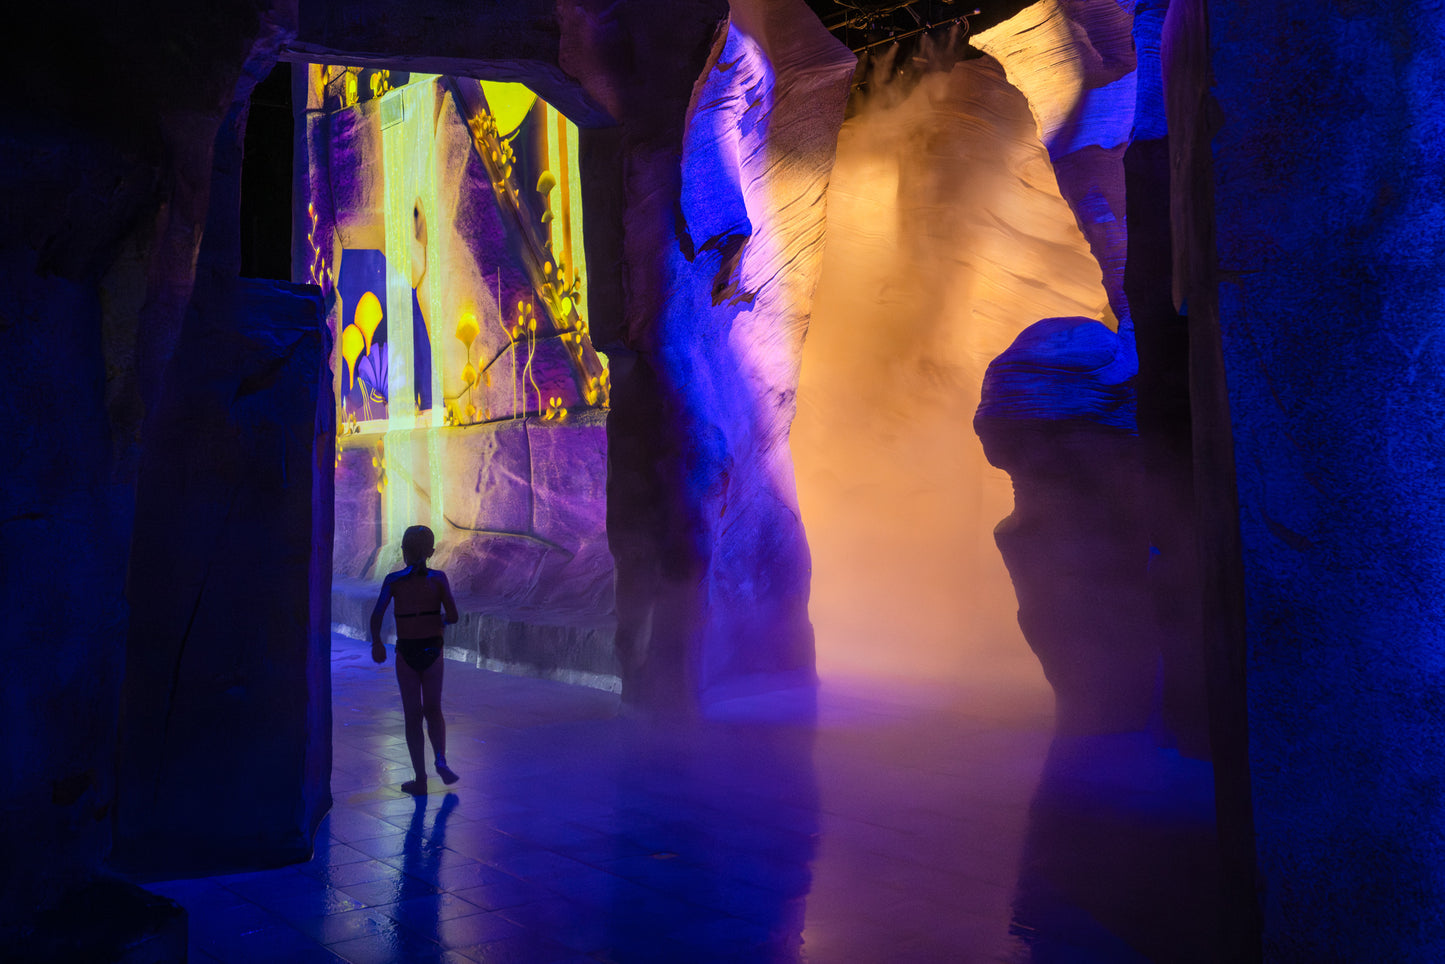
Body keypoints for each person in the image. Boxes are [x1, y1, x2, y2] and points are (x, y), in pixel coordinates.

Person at [370, 525, 461, 794]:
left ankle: (420, 779)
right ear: (431, 552)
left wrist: (377, 642)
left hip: (406, 651)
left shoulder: (394, 580)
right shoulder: (438, 579)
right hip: (433, 650)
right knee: (433, 709)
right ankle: (441, 759)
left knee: (413, 715)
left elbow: (377, 614)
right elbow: (453, 615)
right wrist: (439, 619)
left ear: (403, 552)